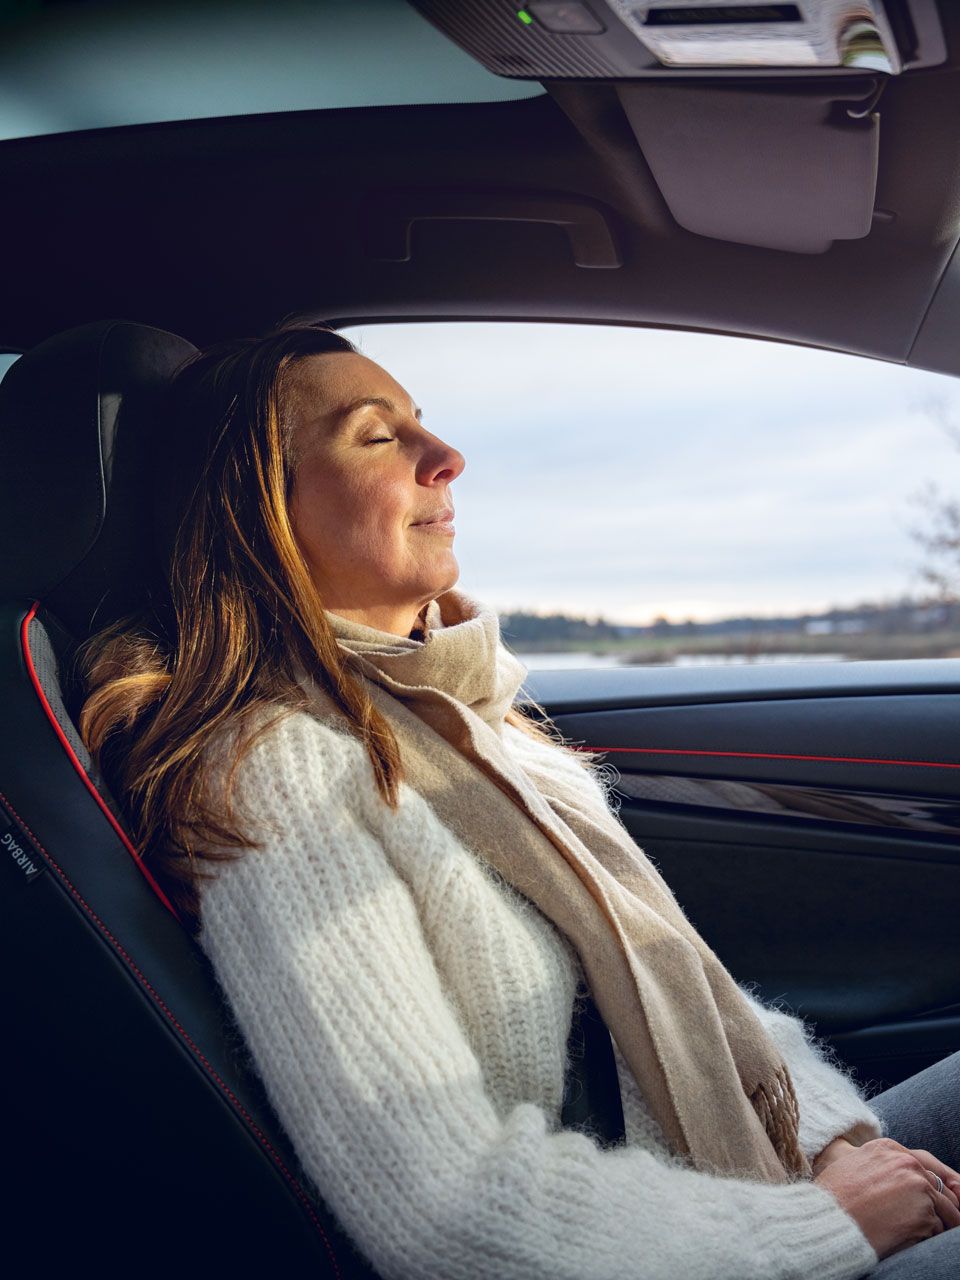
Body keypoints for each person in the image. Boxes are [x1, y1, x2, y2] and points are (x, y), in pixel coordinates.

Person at [74, 320, 960, 1279]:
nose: (447, 458)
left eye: (426, 426)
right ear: (260, 512)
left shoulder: (478, 723)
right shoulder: (274, 773)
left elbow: (681, 991)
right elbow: (444, 1212)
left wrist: (835, 1144)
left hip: (745, 1184)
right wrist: (824, 1229)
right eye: (379, 436)